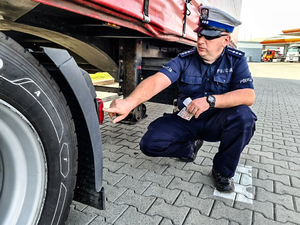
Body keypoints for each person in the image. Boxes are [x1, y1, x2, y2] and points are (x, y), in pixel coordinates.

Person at [103, 5, 257, 193]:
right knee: (150, 144)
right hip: (188, 119)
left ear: (226, 40)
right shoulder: (185, 59)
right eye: (199, 34)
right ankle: (189, 147)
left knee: (244, 117)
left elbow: (248, 95)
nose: (200, 40)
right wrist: (129, 102)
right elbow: (158, 81)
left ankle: (222, 171)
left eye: (208, 36)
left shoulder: (236, 60)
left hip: (218, 122)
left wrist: (210, 101)